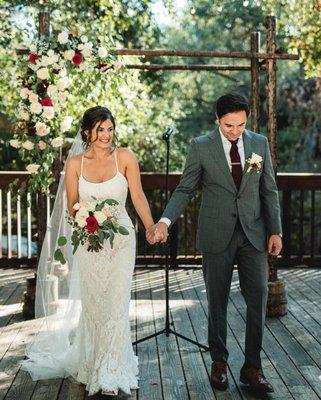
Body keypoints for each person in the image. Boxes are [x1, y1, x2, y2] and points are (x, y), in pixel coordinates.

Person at [146, 93, 282, 394]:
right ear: (217, 120)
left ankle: (252, 367)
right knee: (217, 300)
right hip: (216, 234)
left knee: (258, 297)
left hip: (254, 234)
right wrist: (165, 222)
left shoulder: (259, 143)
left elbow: (269, 190)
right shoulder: (200, 147)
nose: (235, 131)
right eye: (229, 125)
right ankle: (218, 362)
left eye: (241, 125)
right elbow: (185, 189)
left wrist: (276, 231)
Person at [22, 106, 155, 397]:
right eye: (100, 130)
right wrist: (87, 216)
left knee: (117, 301)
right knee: (95, 302)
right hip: (89, 239)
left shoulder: (125, 158)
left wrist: (150, 226)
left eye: (109, 129)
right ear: (87, 132)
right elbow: (72, 206)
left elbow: (138, 195)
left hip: (120, 240)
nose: (106, 135)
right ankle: (94, 361)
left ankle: (111, 368)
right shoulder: (75, 165)